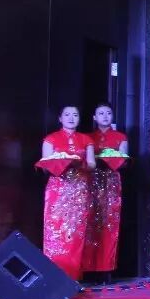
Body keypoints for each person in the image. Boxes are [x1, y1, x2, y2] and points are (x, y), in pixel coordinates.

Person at [40, 106, 97, 283]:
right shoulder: (50, 139)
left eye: (75, 115)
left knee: (76, 233)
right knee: (55, 231)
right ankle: (54, 277)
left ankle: (74, 277)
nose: (71, 118)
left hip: (79, 190)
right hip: (57, 190)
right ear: (60, 118)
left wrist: (78, 164)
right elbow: (45, 166)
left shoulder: (86, 139)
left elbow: (92, 164)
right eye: (67, 115)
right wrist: (61, 163)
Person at [84, 104, 127, 285]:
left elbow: (124, 161)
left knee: (109, 225)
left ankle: (107, 269)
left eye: (109, 113)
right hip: (90, 184)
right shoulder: (87, 138)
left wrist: (111, 159)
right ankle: (88, 269)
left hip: (111, 183)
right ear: (94, 117)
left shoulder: (120, 137)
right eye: (101, 113)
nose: (105, 116)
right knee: (89, 225)